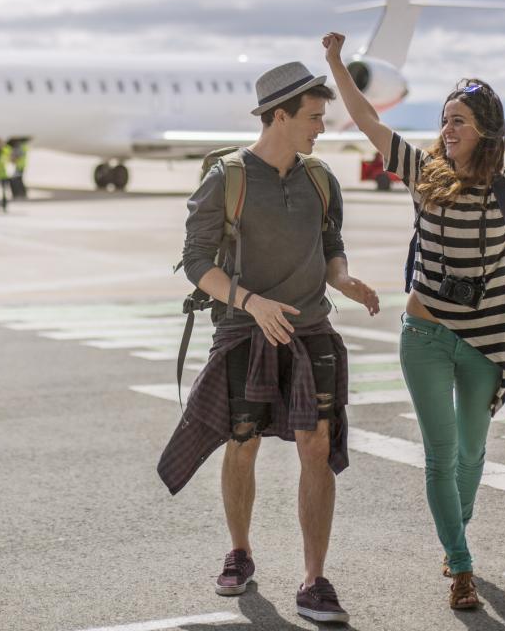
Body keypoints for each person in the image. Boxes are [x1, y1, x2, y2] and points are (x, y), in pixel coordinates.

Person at [322, 31, 505, 611]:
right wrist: (336, 62)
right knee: (439, 455)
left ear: (485, 129)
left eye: (458, 120)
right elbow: (366, 120)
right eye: (444, 120)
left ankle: (455, 529)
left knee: (470, 455)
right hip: (425, 335)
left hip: (485, 340)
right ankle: (460, 565)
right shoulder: (422, 174)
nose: (447, 129)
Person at [158, 62, 380, 625]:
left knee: (316, 446)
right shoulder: (226, 178)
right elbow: (196, 262)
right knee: (243, 441)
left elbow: (331, 242)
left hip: (310, 330)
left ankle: (315, 579)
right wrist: (252, 303)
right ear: (279, 116)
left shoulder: (320, 178)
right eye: (313, 117)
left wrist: (343, 278)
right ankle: (240, 551)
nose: (322, 127)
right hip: (244, 330)